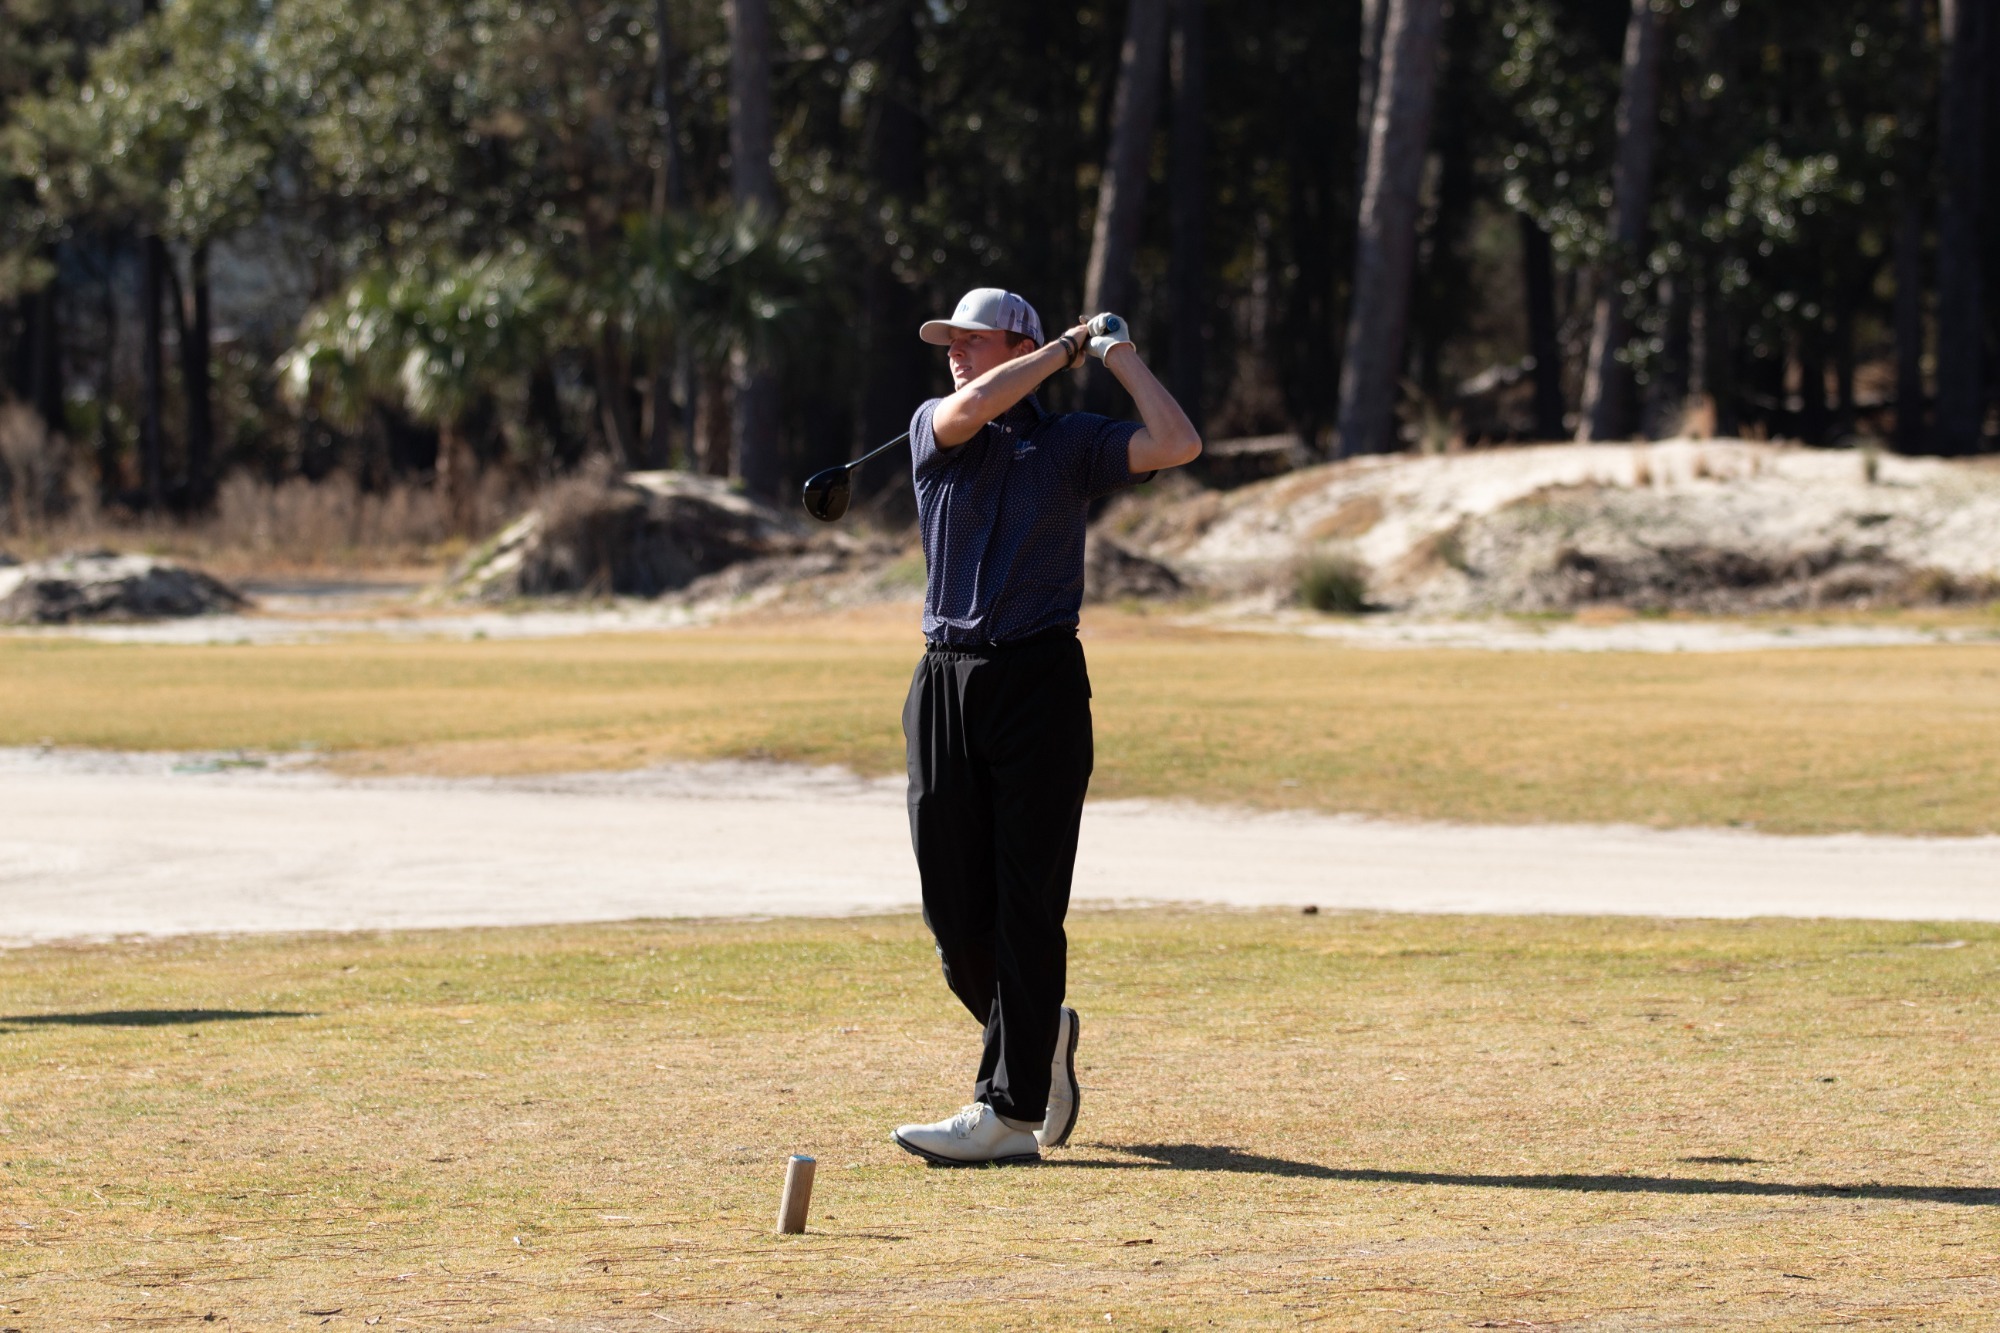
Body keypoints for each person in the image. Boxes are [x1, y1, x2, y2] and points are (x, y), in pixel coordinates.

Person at [890, 288, 1202, 1166]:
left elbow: (1179, 443)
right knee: (956, 919)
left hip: (1041, 682)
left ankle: (1011, 1112)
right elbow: (977, 405)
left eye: (973, 340)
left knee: (1028, 903)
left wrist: (1118, 354)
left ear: (1017, 343)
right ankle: (1040, 1031)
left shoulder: (1070, 445)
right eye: (948, 339)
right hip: (946, 679)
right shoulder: (937, 427)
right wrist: (1068, 346)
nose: (955, 351)